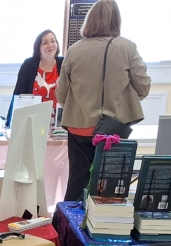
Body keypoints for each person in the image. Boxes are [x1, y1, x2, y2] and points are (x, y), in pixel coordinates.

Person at [56, 0, 150, 202]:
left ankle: (67, 227)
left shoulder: (74, 49)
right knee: (110, 187)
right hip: (113, 131)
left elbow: (61, 93)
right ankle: (104, 230)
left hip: (79, 128)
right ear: (117, 20)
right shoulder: (128, 47)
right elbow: (143, 87)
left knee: (77, 182)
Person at [8, 29, 63, 127]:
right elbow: (18, 94)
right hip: (34, 122)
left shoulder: (64, 63)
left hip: (59, 124)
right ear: (38, 48)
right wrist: (10, 123)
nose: (50, 45)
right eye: (45, 42)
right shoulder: (29, 65)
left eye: (53, 41)